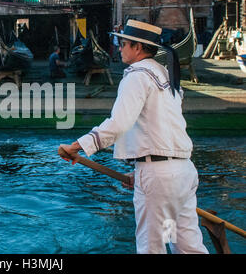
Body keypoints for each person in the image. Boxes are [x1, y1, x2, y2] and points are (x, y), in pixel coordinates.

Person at [59, 20, 209, 254]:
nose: (119, 48)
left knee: (152, 246)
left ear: (137, 48)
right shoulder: (165, 76)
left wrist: (77, 146)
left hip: (159, 179)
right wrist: (140, 171)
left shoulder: (137, 76)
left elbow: (119, 124)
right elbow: (162, 129)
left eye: (122, 43)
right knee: (185, 245)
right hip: (182, 174)